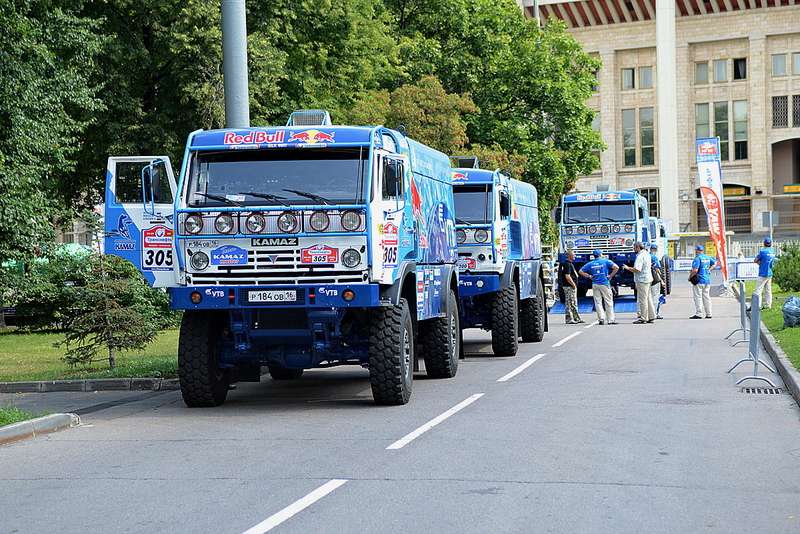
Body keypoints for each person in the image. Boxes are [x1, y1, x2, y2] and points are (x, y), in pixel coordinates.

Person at [579, 249, 619, 325]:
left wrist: (589, 276)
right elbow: (616, 267)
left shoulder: (590, 264)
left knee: (598, 302)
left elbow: (580, 271)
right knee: (608, 301)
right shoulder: (606, 261)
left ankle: (601, 319)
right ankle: (610, 320)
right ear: (601, 254)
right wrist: (610, 276)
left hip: (595, 284)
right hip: (605, 284)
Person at [623, 242, 655, 324]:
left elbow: (637, 269)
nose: (633, 249)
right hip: (648, 278)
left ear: (638, 247)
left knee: (642, 299)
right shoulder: (647, 254)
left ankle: (643, 318)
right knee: (648, 298)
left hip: (642, 280)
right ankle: (651, 316)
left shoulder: (640, 256)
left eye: (634, 247)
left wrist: (627, 268)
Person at [689, 244, 716, 319]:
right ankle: (709, 313)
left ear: (697, 250)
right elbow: (714, 264)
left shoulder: (698, 258)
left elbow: (695, 270)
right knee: (706, 297)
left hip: (699, 280)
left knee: (698, 297)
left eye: (696, 250)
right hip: (707, 280)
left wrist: (690, 277)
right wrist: (709, 270)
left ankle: (699, 313)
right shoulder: (707, 257)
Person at [558, 250, 584, 324]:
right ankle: (569, 319)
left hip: (571, 286)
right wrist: (573, 285)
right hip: (569, 286)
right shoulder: (567, 265)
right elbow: (567, 276)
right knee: (569, 302)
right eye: (573, 255)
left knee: (574, 303)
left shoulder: (570, 264)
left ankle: (576, 318)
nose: (575, 256)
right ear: (569, 256)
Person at [753, 238, 776, 310]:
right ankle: (768, 305)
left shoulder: (762, 251)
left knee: (758, 290)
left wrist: (760, 263)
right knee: (768, 290)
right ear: (770, 244)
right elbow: (772, 263)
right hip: (769, 273)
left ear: (764, 243)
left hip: (762, 273)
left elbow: (755, 260)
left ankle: (757, 306)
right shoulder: (773, 252)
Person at [649, 243, 664, 320]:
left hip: (647, 280)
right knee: (655, 297)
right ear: (656, 250)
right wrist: (662, 280)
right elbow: (657, 269)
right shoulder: (654, 257)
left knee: (648, 297)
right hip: (654, 279)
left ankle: (647, 313)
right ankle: (655, 313)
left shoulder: (646, 256)